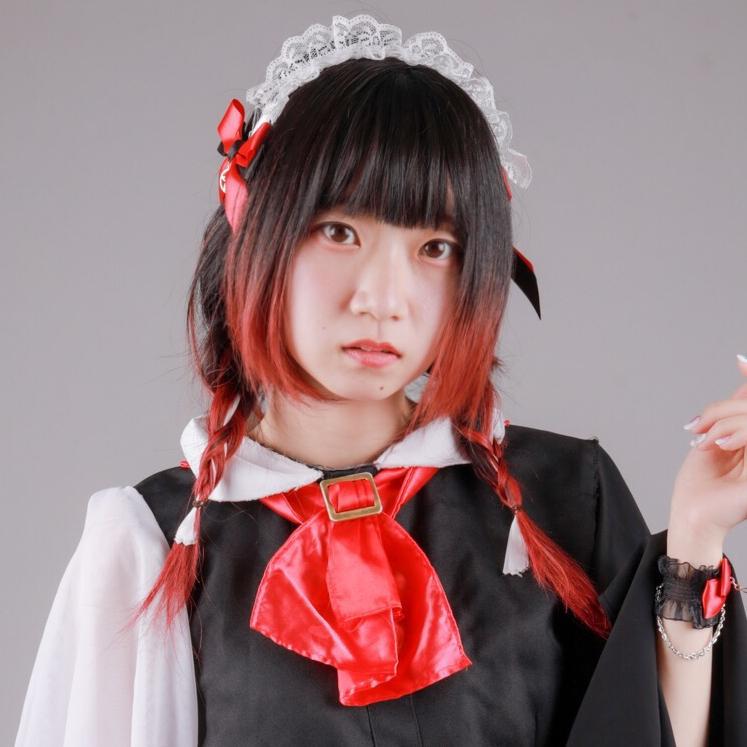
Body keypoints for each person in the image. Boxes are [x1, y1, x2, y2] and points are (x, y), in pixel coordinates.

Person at [15, 14, 747, 747]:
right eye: (340, 231)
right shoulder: (154, 545)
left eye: (435, 247)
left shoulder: (565, 499)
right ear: (256, 234)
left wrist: (696, 536)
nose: (384, 298)